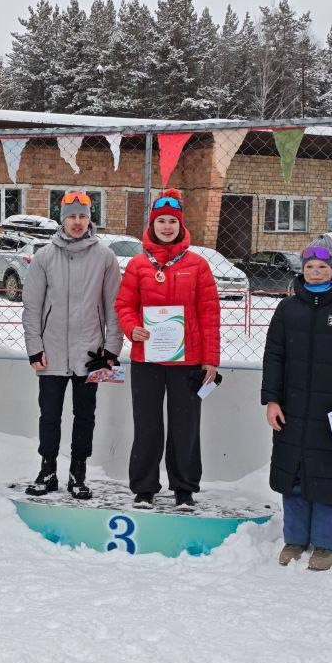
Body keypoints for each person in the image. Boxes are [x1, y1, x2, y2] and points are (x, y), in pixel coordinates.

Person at [261, 236, 332, 571]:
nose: (315, 272)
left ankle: (326, 544)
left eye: (322, 266)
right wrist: (272, 400)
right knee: (293, 474)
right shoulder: (287, 309)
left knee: (330, 477)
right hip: (292, 410)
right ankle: (295, 539)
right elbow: (274, 357)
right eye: (309, 266)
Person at [115, 188, 220, 509]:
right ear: (152, 224)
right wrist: (132, 327)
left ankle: (184, 489)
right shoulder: (137, 265)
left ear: (180, 225)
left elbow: (209, 314)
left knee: (185, 427)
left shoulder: (198, 265)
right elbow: (124, 305)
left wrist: (210, 360)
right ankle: (144, 488)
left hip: (188, 362)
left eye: (172, 221)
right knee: (147, 425)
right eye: (161, 221)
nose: (166, 227)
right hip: (147, 359)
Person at [21, 191, 124, 499]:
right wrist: (34, 347)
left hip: (91, 353)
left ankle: (78, 473)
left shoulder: (105, 257)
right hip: (51, 352)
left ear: (90, 219)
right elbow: (32, 308)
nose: (77, 222)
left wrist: (111, 350)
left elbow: (114, 307)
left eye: (82, 216)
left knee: (85, 416)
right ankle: (48, 470)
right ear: (62, 219)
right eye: (72, 217)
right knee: (49, 415)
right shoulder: (44, 257)